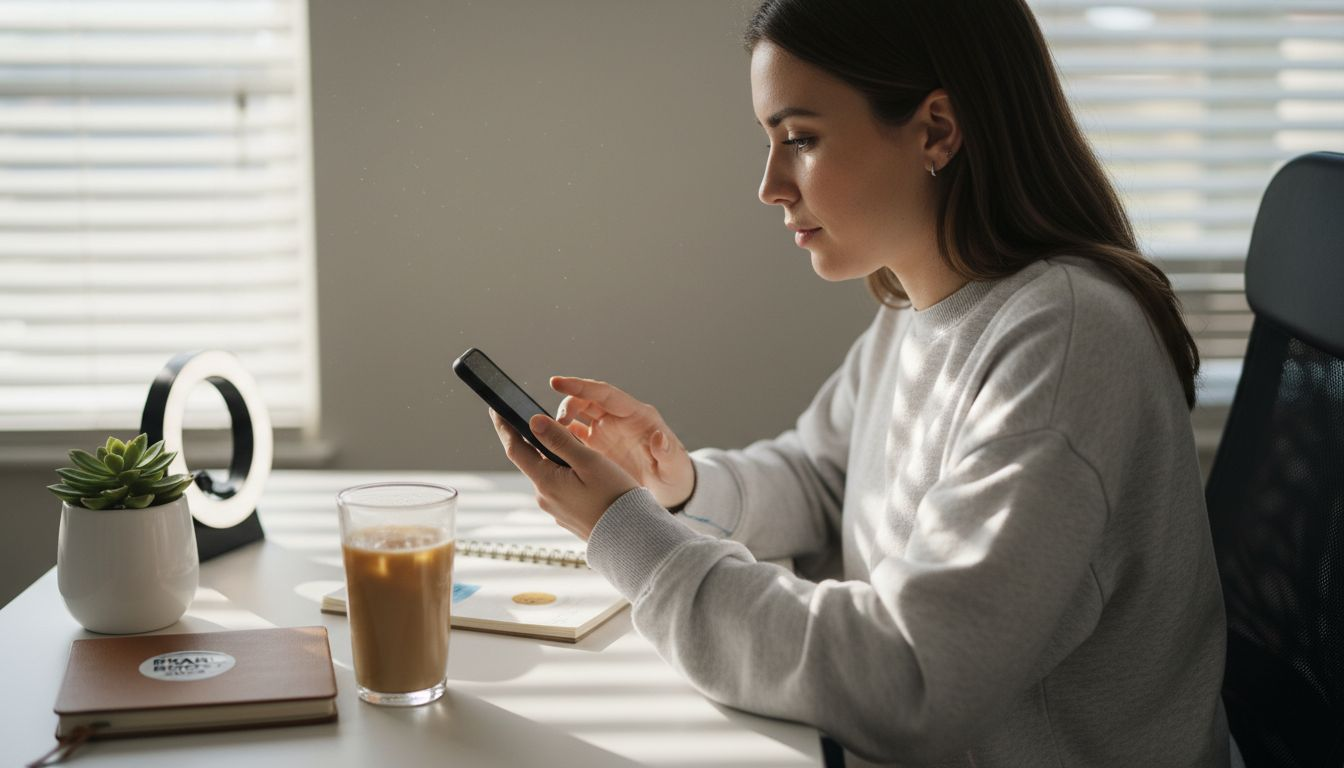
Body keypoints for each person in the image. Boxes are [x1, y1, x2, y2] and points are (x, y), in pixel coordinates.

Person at [489, 0, 1232, 765]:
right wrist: (676, 483)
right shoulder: (922, 304)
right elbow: (826, 478)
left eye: (800, 139)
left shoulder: (1067, 346)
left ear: (937, 130)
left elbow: (914, 678)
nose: (771, 185)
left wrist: (629, 531)